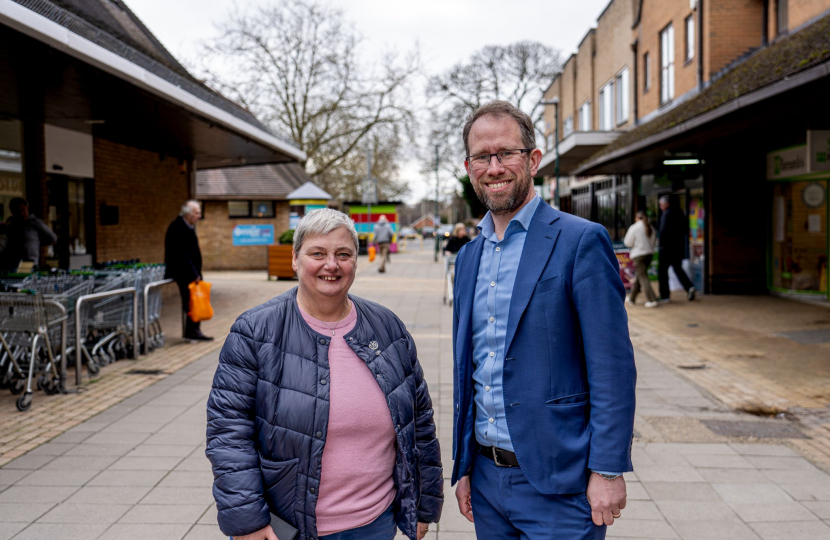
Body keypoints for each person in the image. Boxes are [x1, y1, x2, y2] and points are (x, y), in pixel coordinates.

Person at [451, 101, 636, 540]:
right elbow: (469, 369)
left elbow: (611, 366)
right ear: (469, 166)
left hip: (562, 484)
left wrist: (608, 469)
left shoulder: (580, 242)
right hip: (487, 481)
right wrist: (463, 466)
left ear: (533, 159)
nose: (494, 167)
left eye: (506, 153)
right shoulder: (467, 258)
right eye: (482, 156)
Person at [206, 208, 443, 540]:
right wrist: (247, 521)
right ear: (295, 259)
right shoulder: (255, 331)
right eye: (317, 253)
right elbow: (228, 432)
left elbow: (419, 425)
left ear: (356, 262)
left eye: (343, 254)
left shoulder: (388, 327)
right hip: (287, 527)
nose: (331, 265)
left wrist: (423, 504)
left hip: (374, 523)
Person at [164, 200, 212, 341]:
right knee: (191, 301)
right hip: (184, 273)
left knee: (194, 300)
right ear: (188, 214)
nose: (199, 216)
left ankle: (193, 330)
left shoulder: (188, 227)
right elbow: (182, 255)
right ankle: (192, 331)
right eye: (197, 213)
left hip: (191, 273)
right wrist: (194, 273)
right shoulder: (177, 228)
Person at [0, 198, 57, 271]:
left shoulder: (35, 222)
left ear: (27, 208)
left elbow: (52, 238)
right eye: (17, 211)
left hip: (29, 264)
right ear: (12, 211)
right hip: (12, 265)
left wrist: (37, 242)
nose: (21, 213)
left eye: (23, 210)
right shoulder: (10, 223)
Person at [657, 195, 695, 302]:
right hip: (678, 247)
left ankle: (665, 295)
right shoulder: (680, 212)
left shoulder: (666, 214)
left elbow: (663, 231)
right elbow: (685, 230)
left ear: (666, 204)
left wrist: (661, 244)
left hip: (666, 248)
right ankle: (689, 287)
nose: (660, 207)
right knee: (677, 268)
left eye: (661, 204)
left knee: (663, 271)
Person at [624, 211, 658, 308]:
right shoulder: (651, 227)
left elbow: (628, 242)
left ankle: (652, 299)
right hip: (649, 255)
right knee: (639, 276)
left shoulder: (634, 227)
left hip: (638, 255)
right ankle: (632, 298)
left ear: (637, 218)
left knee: (643, 277)